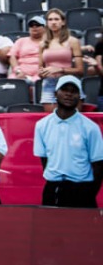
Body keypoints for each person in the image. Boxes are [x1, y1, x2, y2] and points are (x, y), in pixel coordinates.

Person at [33, 76, 103, 208]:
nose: (69, 94)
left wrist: (89, 194)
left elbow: (98, 165)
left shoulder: (91, 128)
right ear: (55, 94)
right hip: (53, 188)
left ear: (80, 97)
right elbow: (44, 159)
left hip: (82, 189)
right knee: (51, 222)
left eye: (74, 91)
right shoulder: (41, 125)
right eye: (65, 89)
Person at [38, 8, 85, 112]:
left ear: (63, 22)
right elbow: (40, 71)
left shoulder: (72, 41)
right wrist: (42, 73)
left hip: (69, 82)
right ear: (47, 23)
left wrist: (60, 69)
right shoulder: (42, 44)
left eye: (56, 19)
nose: (53, 22)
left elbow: (80, 70)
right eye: (50, 19)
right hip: (49, 83)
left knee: (73, 117)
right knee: (51, 117)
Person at [9, 16, 47, 82]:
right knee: (11, 83)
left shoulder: (48, 42)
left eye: (37, 25)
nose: (34, 27)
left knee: (38, 82)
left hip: (40, 74)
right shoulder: (21, 41)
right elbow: (12, 57)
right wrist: (18, 71)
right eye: (31, 25)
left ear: (45, 28)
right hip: (20, 73)